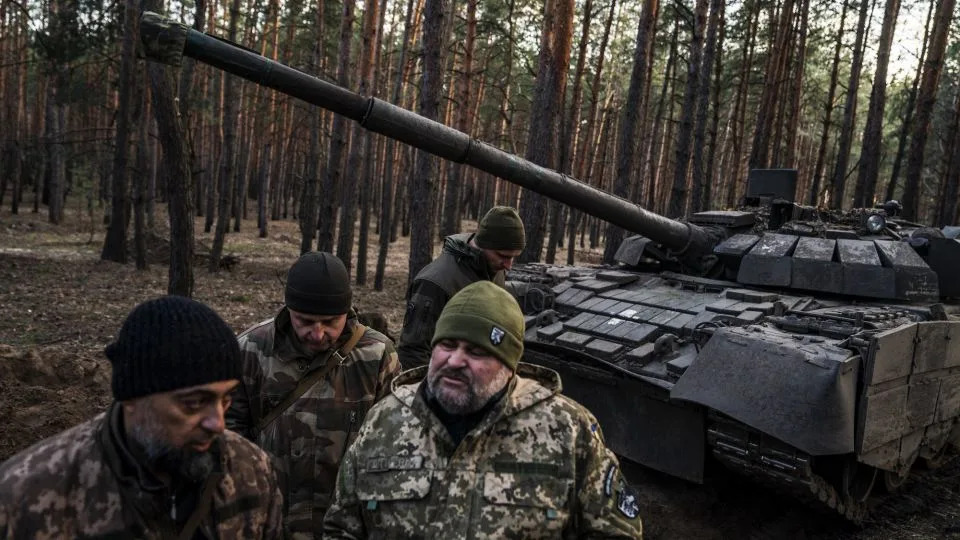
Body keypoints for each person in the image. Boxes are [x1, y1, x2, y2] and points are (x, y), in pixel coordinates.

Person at [324, 281, 643, 539]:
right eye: (447, 346)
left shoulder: (568, 430)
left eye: (476, 352)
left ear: (509, 366)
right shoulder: (385, 420)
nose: (455, 361)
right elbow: (342, 527)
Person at [0, 296, 284, 539]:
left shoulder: (251, 471)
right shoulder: (26, 498)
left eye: (225, 399)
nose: (218, 423)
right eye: (194, 403)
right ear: (132, 398)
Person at [227, 251, 401, 538]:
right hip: (269, 523)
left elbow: (391, 446)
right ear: (288, 309)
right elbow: (229, 441)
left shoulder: (377, 355)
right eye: (305, 321)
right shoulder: (250, 350)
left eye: (331, 322)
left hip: (344, 527)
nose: (318, 334)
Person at [398, 206, 525, 369]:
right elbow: (413, 353)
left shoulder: (492, 267)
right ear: (483, 244)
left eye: (514, 257)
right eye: (503, 256)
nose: (508, 266)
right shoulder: (435, 283)